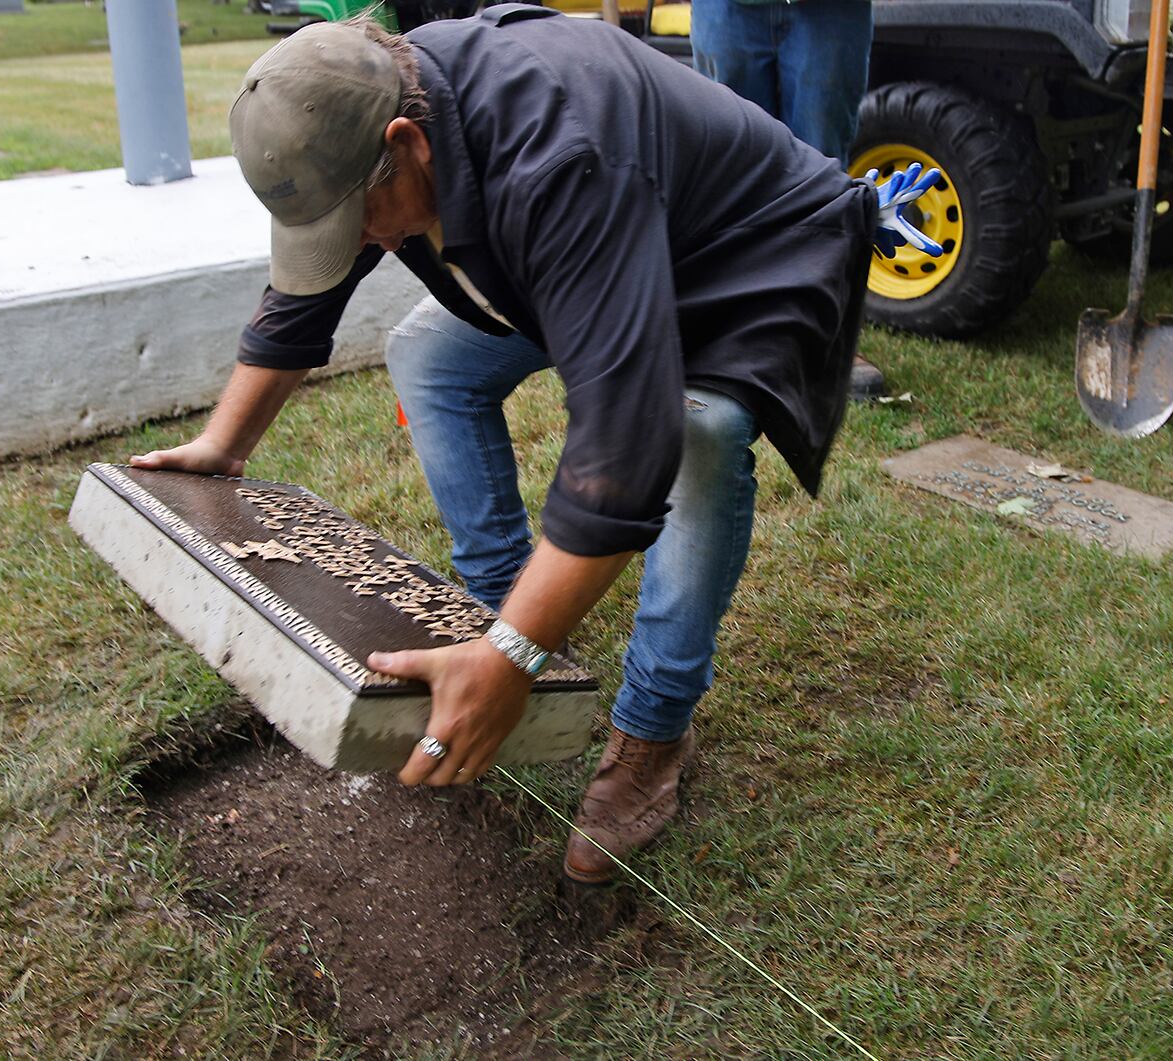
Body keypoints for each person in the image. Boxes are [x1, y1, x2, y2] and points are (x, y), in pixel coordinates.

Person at [132, 10, 935, 885]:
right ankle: (494, 612)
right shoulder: (377, 106)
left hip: (748, 252)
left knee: (693, 433)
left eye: (360, 217)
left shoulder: (556, 160)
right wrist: (225, 442)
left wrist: (507, 661)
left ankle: (652, 733)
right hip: (616, 241)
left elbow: (624, 453)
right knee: (431, 356)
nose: (360, 242)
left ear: (407, 144)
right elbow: (306, 296)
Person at [689, 0, 885, 398]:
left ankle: (823, 343)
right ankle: (732, 341)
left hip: (830, 13)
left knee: (822, 167)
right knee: (730, 162)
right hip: (727, 9)